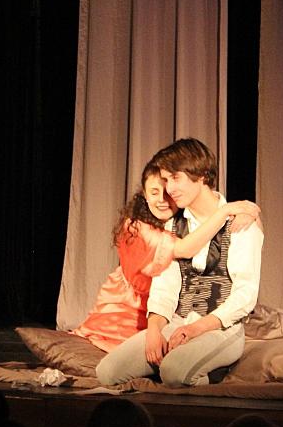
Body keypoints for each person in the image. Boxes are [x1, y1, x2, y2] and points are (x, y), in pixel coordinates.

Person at [96, 138, 264, 387]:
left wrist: (198, 328)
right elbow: (164, 287)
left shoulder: (240, 223)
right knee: (108, 372)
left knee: (174, 372)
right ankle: (178, 367)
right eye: (166, 180)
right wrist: (154, 330)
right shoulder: (173, 225)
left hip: (221, 327)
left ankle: (212, 372)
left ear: (202, 175)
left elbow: (245, 295)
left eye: (175, 178)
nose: (169, 189)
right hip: (178, 322)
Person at [72, 159, 259, 351]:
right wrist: (226, 211)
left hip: (167, 310)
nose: (162, 200)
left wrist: (248, 215)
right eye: (154, 192)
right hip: (128, 311)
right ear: (144, 195)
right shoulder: (136, 228)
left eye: (167, 193)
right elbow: (185, 249)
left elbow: (252, 233)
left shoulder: (180, 220)